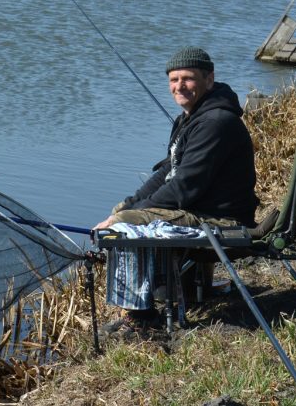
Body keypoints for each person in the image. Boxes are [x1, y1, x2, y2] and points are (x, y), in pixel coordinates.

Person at [93, 46, 258, 330]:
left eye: (187, 78)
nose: (179, 86)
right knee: (122, 211)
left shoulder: (215, 122)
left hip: (225, 221)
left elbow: (183, 189)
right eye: (173, 79)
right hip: (208, 209)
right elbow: (168, 171)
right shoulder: (193, 118)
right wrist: (130, 203)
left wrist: (130, 216)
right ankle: (190, 287)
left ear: (209, 79)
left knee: (125, 225)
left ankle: (140, 317)